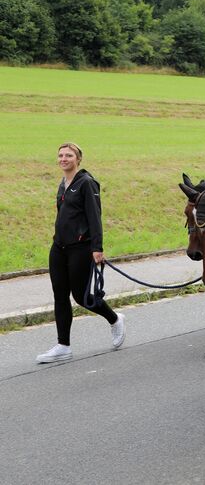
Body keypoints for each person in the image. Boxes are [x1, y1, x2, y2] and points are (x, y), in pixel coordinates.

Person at [36, 143, 126, 363]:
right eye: (60, 155)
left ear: (78, 159)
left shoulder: (86, 183)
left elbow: (95, 217)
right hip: (59, 247)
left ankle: (115, 319)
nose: (63, 159)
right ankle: (63, 345)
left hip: (80, 247)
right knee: (60, 295)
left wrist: (97, 248)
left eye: (69, 155)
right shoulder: (63, 183)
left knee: (81, 297)